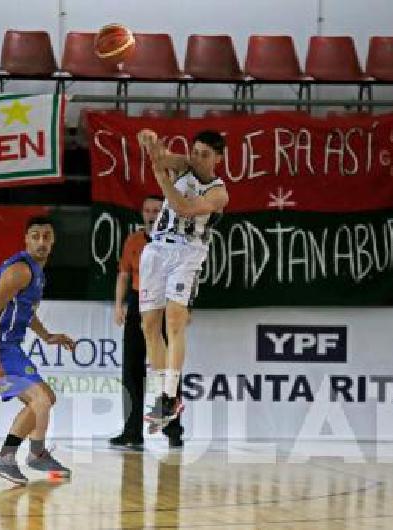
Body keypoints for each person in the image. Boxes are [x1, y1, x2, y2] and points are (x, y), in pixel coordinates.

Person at [137, 129, 229, 430]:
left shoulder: (218, 192)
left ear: (218, 158)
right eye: (196, 152)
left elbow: (184, 208)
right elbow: (161, 158)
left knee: (174, 321)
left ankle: (168, 396)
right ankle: (167, 395)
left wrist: (162, 178)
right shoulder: (183, 165)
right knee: (149, 325)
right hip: (157, 249)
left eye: (205, 154)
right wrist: (152, 143)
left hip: (188, 253)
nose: (198, 158)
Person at [0, 216, 75, 486]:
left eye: (46, 237)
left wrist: (47, 336)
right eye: (36, 236)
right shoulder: (21, 270)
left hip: (9, 348)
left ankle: (37, 453)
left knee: (46, 398)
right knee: (40, 400)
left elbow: (25, 312)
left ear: (53, 241)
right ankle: (5, 458)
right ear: (26, 240)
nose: (41, 242)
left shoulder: (35, 272)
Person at [109, 196, 184, 449]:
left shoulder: (176, 241)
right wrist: (119, 305)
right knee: (131, 369)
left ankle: (174, 429)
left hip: (167, 304)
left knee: (169, 369)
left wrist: (186, 307)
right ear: (142, 214)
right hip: (139, 302)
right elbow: (123, 274)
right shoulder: (134, 241)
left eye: (157, 210)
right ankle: (132, 431)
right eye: (148, 210)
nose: (152, 214)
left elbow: (185, 277)